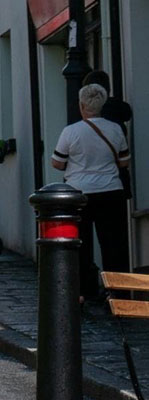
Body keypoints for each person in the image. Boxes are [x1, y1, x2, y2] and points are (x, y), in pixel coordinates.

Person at [52, 83, 131, 301]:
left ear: (82, 105)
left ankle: (84, 290)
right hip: (111, 191)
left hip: (79, 193)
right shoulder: (115, 129)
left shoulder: (71, 131)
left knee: (81, 243)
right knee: (113, 244)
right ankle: (118, 292)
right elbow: (124, 162)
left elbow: (57, 163)